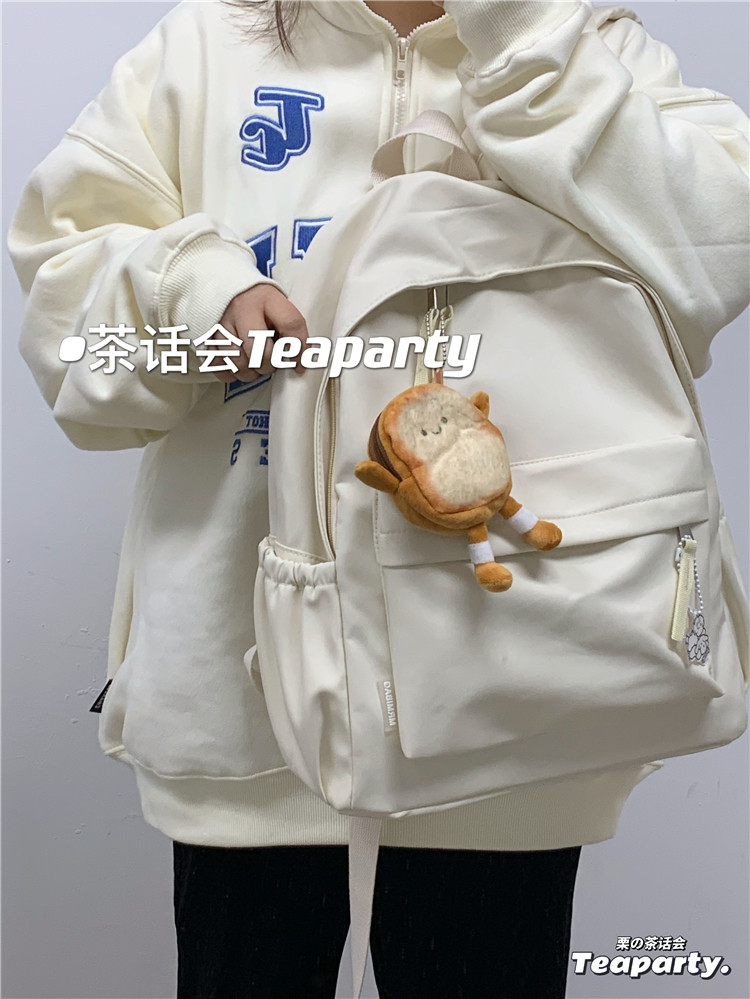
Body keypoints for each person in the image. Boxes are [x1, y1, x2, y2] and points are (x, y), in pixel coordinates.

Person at [7, 1, 748, 997]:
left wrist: (520, 38)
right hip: (244, 716)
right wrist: (197, 294)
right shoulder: (205, 45)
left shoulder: (572, 38)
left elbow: (718, 252)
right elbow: (67, 318)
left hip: (521, 708)